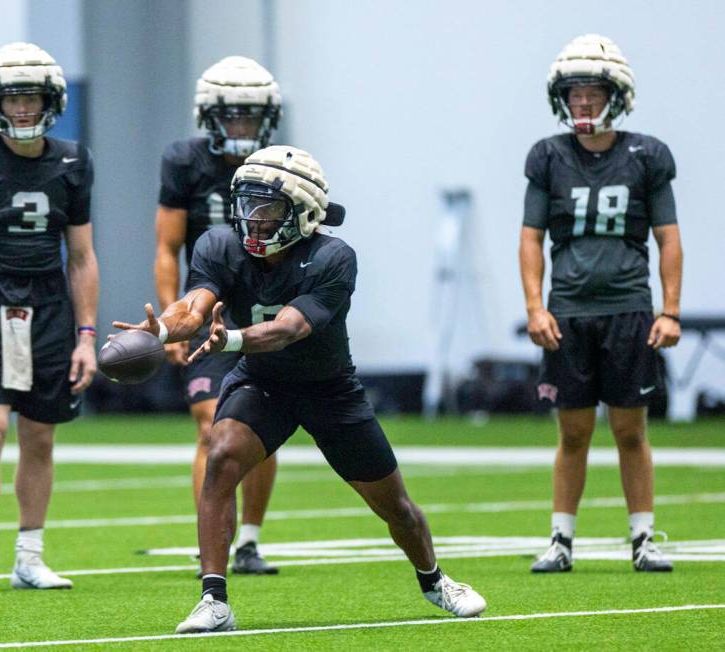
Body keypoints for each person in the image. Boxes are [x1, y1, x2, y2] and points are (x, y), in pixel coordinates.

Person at [115, 146, 487, 632]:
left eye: (267, 207)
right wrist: (161, 331)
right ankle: (214, 600)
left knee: (396, 508)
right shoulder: (219, 245)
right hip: (262, 383)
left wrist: (231, 339)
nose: (253, 218)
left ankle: (435, 581)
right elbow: (193, 305)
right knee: (220, 455)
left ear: (303, 212)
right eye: (247, 203)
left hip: (328, 389)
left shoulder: (333, 257)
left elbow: (287, 329)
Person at [0, 42, 99, 593]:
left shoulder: (73, 160)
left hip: (51, 307)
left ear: (50, 100)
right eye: (11, 99)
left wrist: (86, 336)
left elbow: (81, 257)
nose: (22, 109)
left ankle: (29, 556)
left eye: (30, 97)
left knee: (40, 437)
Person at [519, 34, 682, 573]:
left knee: (631, 430)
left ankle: (643, 538)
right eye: (574, 92)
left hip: (628, 308)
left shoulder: (648, 155)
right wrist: (535, 307)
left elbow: (668, 238)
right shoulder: (547, 155)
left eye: (592, 91)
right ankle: (561, 539)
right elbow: (530, 238)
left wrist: (671, 310)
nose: (582, 102)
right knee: (573, 432)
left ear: (617, 94)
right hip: (568, 311)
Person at [154, 56, 281, 575]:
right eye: (233, 116)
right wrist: (170, 320)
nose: (243, 127)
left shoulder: (282, 162)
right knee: (211, 426)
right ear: (210, 116)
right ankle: (213, 536)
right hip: (207, 310)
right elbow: (167, 246)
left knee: (263, 427)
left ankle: (248, 538)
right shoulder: (184, 160)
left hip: (265, 311)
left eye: (251, 117)